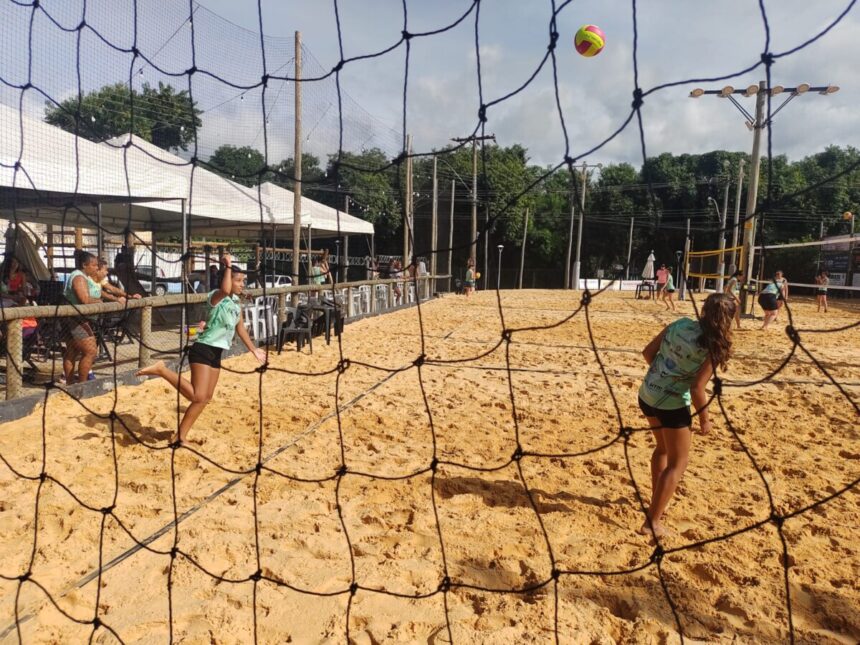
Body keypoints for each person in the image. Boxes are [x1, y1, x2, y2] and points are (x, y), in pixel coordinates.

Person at [637, 292, 737, 540]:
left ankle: (657, 499)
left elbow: (648, 352)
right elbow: (696, 389)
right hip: (671, 405)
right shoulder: (715, 346)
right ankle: (652, 523)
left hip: (647, 393)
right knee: (678, 463)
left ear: (703, 310)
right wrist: (705, 419)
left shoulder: (680, 323)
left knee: (662, 449)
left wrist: (662, 377)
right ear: (729, 319)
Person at [135, 257, 266, 443]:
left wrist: (253, 350)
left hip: (217, 352)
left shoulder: (236, 302)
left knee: (205, 398)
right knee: (197, 396)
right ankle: (162, 370)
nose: (242, 284)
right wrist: (228, 265)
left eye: (243, 280)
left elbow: (240, 328)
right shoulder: (216, 296)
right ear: (227, 279)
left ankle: (179, 437)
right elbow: (225, 290)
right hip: (203, 348)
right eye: (238, 280)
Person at [62, 252, 102, 384]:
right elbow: (84, 299)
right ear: (85, 265)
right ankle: (82, 384)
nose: (96, 268)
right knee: (90, 351)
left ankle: (70, 384)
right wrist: (99, 301)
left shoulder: (80, 276)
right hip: (75, 319)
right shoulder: (79, 277)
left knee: (72, 351)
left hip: (70, 318)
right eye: (94, 265)